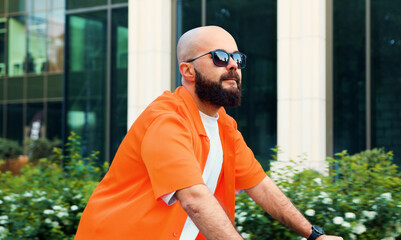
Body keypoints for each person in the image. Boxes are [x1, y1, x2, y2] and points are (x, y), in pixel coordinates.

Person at [75, 26, 343, 240]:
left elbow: (259, 185)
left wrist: (314, 235)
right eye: (220, 57)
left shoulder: (224, 126)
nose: (232, 65)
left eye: (237, 58)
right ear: (187, 70)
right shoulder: (166, 121)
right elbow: (194, 199)